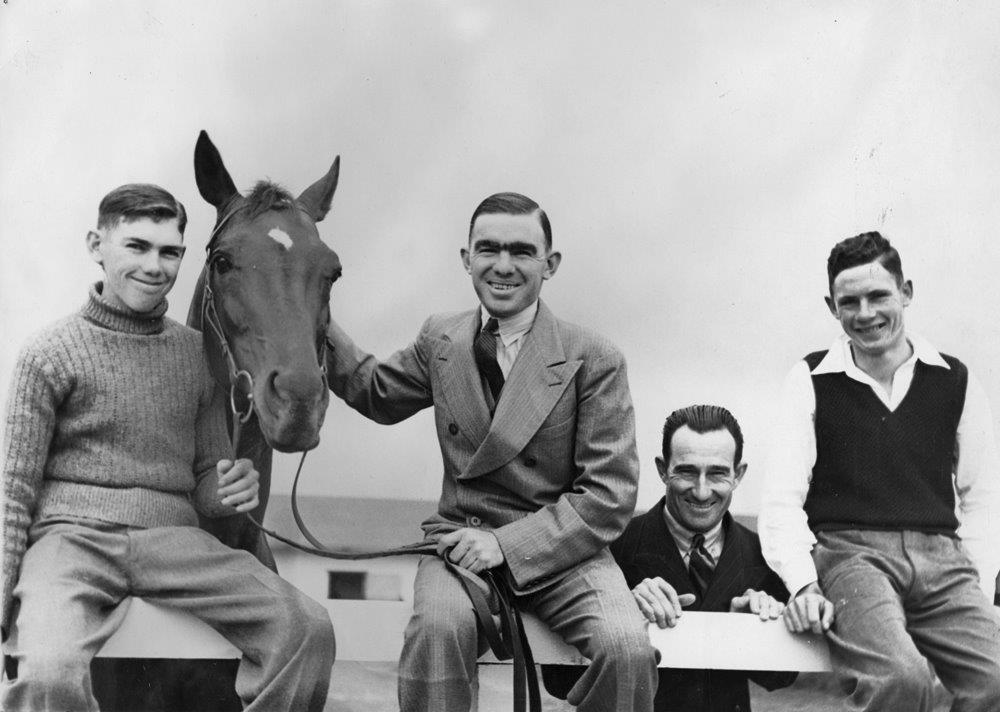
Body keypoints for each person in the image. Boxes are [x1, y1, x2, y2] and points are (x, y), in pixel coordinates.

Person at [0, 184, 335, 712]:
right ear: (97, 245)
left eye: (169, 252)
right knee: (49, 674)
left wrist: (225, 490)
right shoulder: (48, 352)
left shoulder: (194, 353)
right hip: (71, 544)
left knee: (308, 627)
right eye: (137, 246)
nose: (154, 266)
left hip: (175, 544)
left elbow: (203, 483)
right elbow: (13, 492)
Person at [325, 192, 656, 711]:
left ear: (551, 265)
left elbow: (609, 495)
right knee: (435, 634)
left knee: (628, 650)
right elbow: (374, 392)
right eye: (488, 249)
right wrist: (309, 311)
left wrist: (506, 545)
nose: (503, 266)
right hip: (461, 546)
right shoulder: (440, 338)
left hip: (564, 551)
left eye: (522, 251)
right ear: (466, 259)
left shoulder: (594, 357)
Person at [759, 231, 1000, 711]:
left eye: (878, 295)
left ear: (906, 292)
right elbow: (781, 501)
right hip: (852, 558)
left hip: (944, 563)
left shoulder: (954, 378)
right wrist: (805, 584)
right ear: (832, 306)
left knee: (995, 679)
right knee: (900, 680)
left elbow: (984, 495)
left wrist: (975, 576)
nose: (865, 313)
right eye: (849, 301)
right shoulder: (809, 379)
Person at [543, 404, 796, 711]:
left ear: (738, 474)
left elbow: (783, 677)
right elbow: (557, 679)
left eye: (717, 474)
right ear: (662, 469)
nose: (702, 492)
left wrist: (762, 626)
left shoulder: (765, 554)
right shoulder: (612, 548)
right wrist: (617, 611)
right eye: (687, 471)